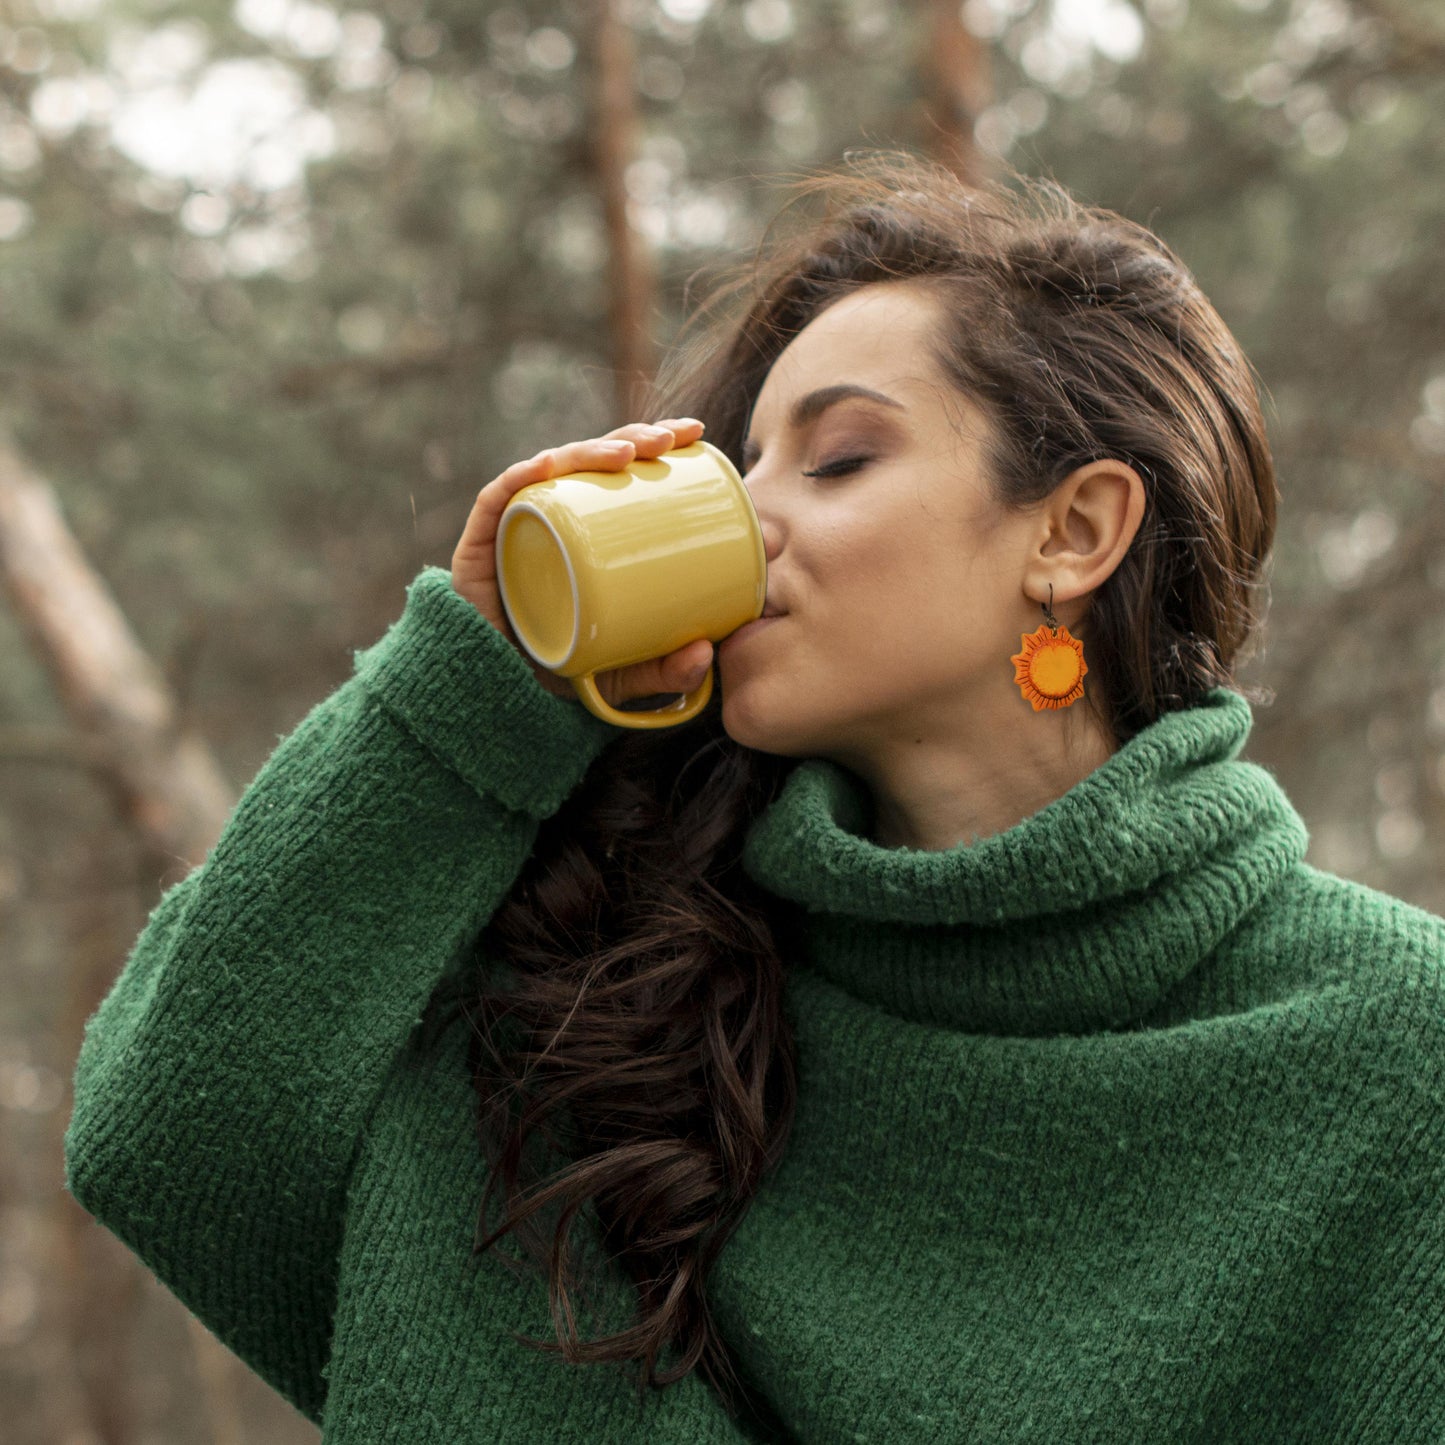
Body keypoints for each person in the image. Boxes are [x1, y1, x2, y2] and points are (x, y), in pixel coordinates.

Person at [64, 152, 1445, 1443]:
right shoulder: (615, 1014)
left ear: (1072, 530)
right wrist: (467, 687)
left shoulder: (1392, 1055)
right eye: (740, 465)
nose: (748, 514)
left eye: (837, 458)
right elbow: (173, 1134)